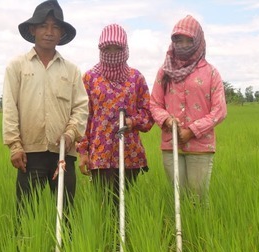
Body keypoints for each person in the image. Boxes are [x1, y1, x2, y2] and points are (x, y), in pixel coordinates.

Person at [2, 0, 89, 214]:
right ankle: (28, 249)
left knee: (65, 214)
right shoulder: (17, 67)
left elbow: (81, 107)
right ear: (33, 30)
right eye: (43, 26)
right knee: (26, 215)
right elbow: (10, 108)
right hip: (29, 154)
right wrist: (14, 145)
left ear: (61, 34)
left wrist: (70, 134)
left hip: (63, 154)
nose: (49, 32)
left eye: (55, 27)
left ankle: (64, 248)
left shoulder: (71, 70)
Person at [150, 15, 227, 204]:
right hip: (171, 144)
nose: (183, 45)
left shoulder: (211, 73)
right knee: (177, 197)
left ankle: (198, 231)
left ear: (198, 41)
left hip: (200, 146)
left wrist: (192, 131)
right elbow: (154, 103)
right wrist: (167, 120)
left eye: (188, 41)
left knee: (198, 199)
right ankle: (179, 233)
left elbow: (220, 110)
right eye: (178, 40)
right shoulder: (165, 71)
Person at [77, 23, 153, 199]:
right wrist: (83, 152)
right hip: (100, 155)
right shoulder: (90, 78)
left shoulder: (136, 78)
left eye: (117, 48)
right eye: (107, 48)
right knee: (104, 206)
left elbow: (148, 115)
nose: (112, 53)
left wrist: (131, 121)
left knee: (126, 206)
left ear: (125, 48)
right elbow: (84, 118)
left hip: (129, 153)